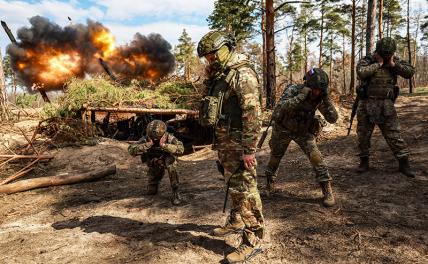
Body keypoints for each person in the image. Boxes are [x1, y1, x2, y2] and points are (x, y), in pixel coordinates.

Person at [197, 30, 264, 263]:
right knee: (233, 185)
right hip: (226, 142)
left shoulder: (242, 75)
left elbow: (252, 114)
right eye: (207, 57)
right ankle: (236, 220)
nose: (210, 60)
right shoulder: (220, 75)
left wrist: (249, 149)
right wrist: (209, 75)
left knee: (245, 189)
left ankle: (253, 239)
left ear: (225, 49)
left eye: (212, 56)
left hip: (239, 144)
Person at [265, 68, 338, 207]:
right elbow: (280, 109)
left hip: (303, 131)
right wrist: (300, 97)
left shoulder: (320, 97)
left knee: (316, 158)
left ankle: (326, 188)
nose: (316, 92)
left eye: (320, 90)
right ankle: (269, 183)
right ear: (308, 85)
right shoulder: (293, 89)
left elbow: (333, 118)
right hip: (283, 129)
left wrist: (327, 99)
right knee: (275, 157)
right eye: (314, 89)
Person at [356, 37, 415, 177]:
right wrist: (379, 63)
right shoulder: (369, 59)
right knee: (363, 135)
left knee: (394, 134)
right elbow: (361, 72)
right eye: (384, 54)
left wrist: (394, 65)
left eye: (389, 54)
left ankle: (403, 163)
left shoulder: (394, 60)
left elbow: (410, 72)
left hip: (386, 105)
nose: (387, 56)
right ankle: (364, 162)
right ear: (378, 51)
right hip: (366, 104)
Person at [128, 120, 184, 205]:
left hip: (166, 159)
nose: (155, 139)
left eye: (157, 138)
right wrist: (146, 145)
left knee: (171, 162)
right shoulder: (146, 138)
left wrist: (165, 146)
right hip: (155, 162)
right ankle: (154, 182)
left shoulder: (169, 138)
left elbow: (181, 149)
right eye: (152, 137)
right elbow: (131, 150)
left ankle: (175, 191)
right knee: (152, 191)